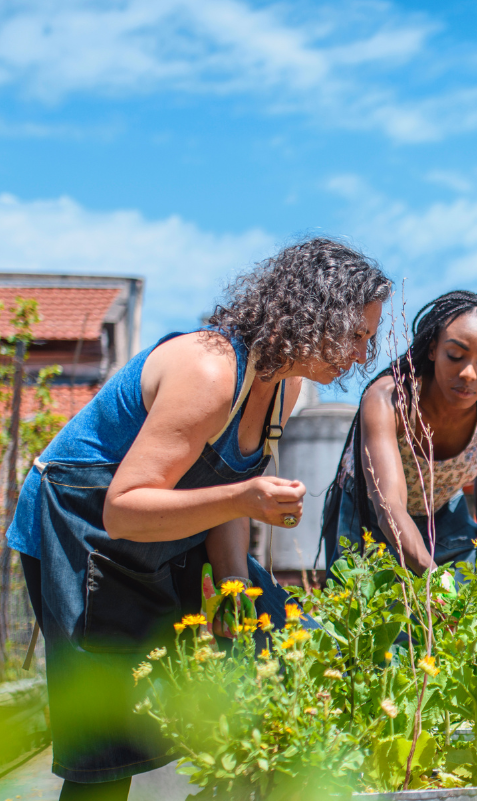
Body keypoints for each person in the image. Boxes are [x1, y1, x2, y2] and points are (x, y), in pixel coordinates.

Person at [5, 238, 391, 801]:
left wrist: (235, 587)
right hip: (81, 528)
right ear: (316, 311)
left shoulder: (285, 388)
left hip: (155, 534)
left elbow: (221, 489)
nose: (362, 354)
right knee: (108, 747)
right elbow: (125, 507)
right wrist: (244, 500)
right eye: (356, 334)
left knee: (278, 644)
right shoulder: (210, 371)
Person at [321, 291, 477, 580]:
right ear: (432, 350)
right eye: (455, 355)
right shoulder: (390, 399)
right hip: (369, 515)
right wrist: (433, 578)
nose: (468, 373)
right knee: (372, 620)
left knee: (472, 609)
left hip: (443, 511)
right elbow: (389, 504)